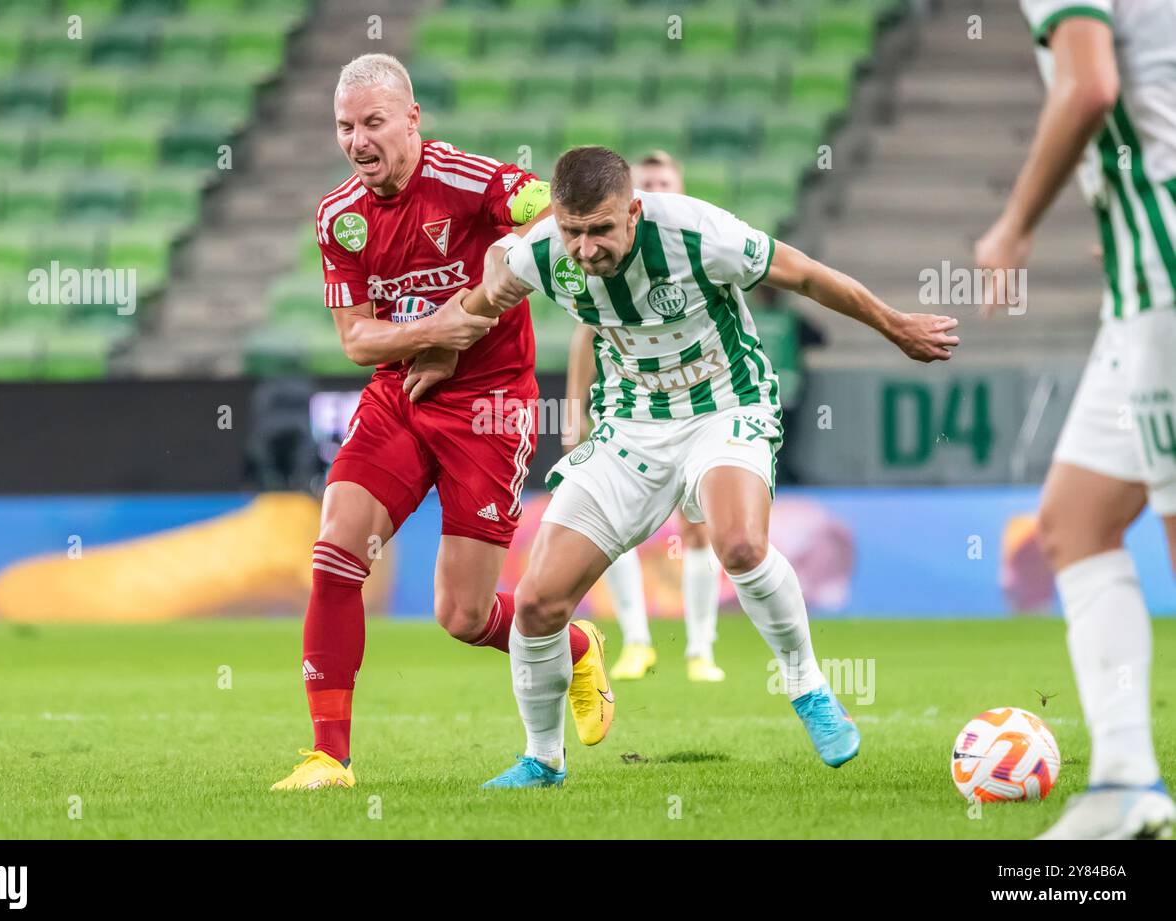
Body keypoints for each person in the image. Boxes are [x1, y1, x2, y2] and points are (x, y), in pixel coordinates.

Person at [414, 146, 958, 787]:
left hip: (725, 406)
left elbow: (805, 275)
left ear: (633, 213)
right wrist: (441, 352)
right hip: (631, 428)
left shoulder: (699, 234)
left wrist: (896, 326)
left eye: (599, 230)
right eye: (572, 231)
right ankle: (543, 758)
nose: (585, 249)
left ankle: (807, 686)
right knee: (536, 603)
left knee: (739, 544)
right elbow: (483, 300)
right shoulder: (542, 254)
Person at [271, 55, 613, 791]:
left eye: (373, 123)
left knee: (461, 614)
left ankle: (576, 644)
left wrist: (488, 291)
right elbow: (358, 340)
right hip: (400, 397)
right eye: (344, 127)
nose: (358, 141)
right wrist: (439, 332)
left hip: (489, 408)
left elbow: (560, 214)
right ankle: (330, 756)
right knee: (335, 552)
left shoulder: (471, 182)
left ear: (412, 118)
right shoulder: (340, 219)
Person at [976, 0, 1176, 838]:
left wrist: (1013, 225)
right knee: (1074, 520)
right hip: (1142, 266)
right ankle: (1127, 780)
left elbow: (1089, 84)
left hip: (1162, 270)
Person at [566, 150, 727, 683]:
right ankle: (636, 640)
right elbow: (583, 335)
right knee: (616, 528)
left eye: (666, 181)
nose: (658, 189)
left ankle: (701, 648)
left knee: (698, 529)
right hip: (632, 413)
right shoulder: (607, 259)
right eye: (649, 182)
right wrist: (574, 413)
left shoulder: (697, 248)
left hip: (700, 411)